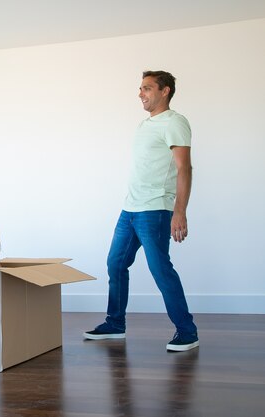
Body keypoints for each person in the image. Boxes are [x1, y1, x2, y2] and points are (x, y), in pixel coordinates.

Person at [84, 70, 199, 352]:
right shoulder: (144, 124)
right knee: (116, 264)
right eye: (140, 88)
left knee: (160, 270)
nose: (141, 94)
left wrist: (179, 211)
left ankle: (187, 331)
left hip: (155, 209)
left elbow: (185, 168)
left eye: (147, 88)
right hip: (130, 209)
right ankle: (115, 323)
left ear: (165, 91)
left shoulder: (175, 122)